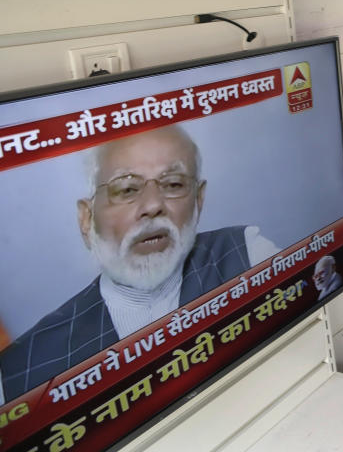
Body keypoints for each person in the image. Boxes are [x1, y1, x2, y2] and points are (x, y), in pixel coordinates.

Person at [0, 125, 278, 400]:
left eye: (173, 184)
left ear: (198, 200)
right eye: (127, 189)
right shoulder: (23, 367)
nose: (152, 205)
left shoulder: (247, 254)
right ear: (86, 219)